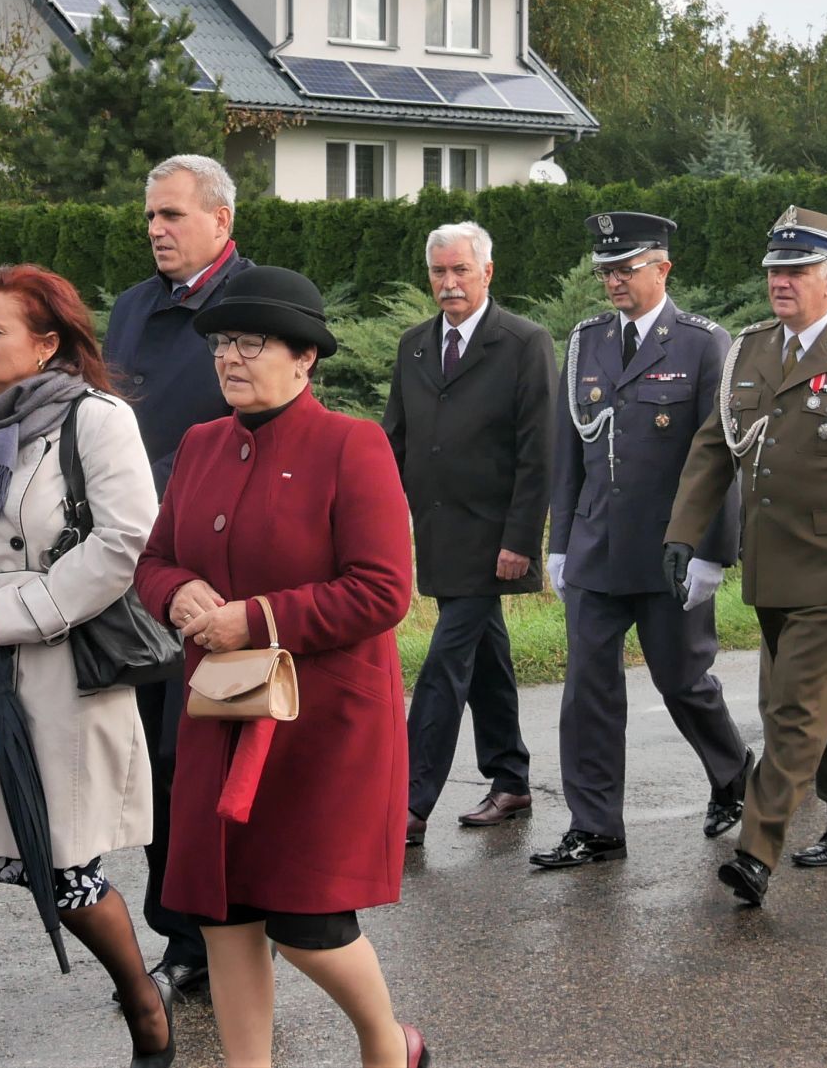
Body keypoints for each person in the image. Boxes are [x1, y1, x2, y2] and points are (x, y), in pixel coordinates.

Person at [133, 266, 429, 1068]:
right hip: (220, 714)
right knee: (224, 912)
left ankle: (385, 1039)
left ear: (304, 359)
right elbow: (153, 559)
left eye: (250, 341)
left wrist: (255, 617)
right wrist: (180, 590)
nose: (229, 356)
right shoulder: (200, 444)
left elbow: (382, 589)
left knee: (308, 923)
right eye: (222, 341)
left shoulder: (351, 443)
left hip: (321, 724)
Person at [0, 265, 169, 1068]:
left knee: (68, 876)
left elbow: (123, 544)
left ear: (47, 343)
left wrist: (8, 613)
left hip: (52, 674)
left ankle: (142, 999)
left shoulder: (98, 420)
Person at [664, 207, 827, 910]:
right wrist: (684, 533)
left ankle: (757, 850)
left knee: (791, 709)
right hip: (773, 561)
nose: (779, 282)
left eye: (795, 271)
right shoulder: (751, 349)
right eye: (774, 271)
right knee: (822, 701)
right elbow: (714, 447)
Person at [533, 212, 752, 871]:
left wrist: (715, 549)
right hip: (598, 546)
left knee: (684, 680)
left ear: (663, 266)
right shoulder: (587, 340)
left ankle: (736, 774)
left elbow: (722, 455)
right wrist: (561, 539)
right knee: (587, 690)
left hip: (671, 548)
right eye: (605, 269)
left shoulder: (703, 344)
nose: (613, 280)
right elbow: (570, 446)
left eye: (625, 267)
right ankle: (595, 824)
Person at [103, 152, 253, 1004]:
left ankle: (230, 922)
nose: (156, 228)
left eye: (172, 215)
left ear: (220, 222)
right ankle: (183, 932)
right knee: (156, 760)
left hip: (222, 569)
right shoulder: (131, 307)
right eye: (151, 216)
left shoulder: (257, 302)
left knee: (205, 748)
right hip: (137, 566)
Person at [386, 222, 554, 847]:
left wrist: (520, 539)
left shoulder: (523, 342)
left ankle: (407, 803)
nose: (449, 283)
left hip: (492, 538)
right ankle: (510, 777)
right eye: (438, 272)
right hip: (437, 532)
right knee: (486, 656)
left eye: (460, 270)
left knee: (443, 666)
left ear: (488, 273)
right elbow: (393, 439)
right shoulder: (414, 345)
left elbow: (540, 452)